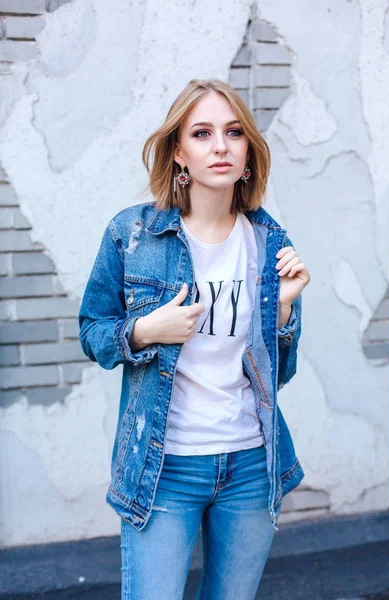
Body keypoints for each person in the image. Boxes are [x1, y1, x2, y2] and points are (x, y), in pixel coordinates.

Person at [78, 78, 311, 600]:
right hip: (165, 468)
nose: (221, 146)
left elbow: (281, 373)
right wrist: (143, 331)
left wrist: (285, 310)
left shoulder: (271, 242)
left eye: (233, 133)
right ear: (179, 152)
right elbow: (92, 334)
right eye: (202, 133)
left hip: (251, 463)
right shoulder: (131, 236)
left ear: (248, 151)